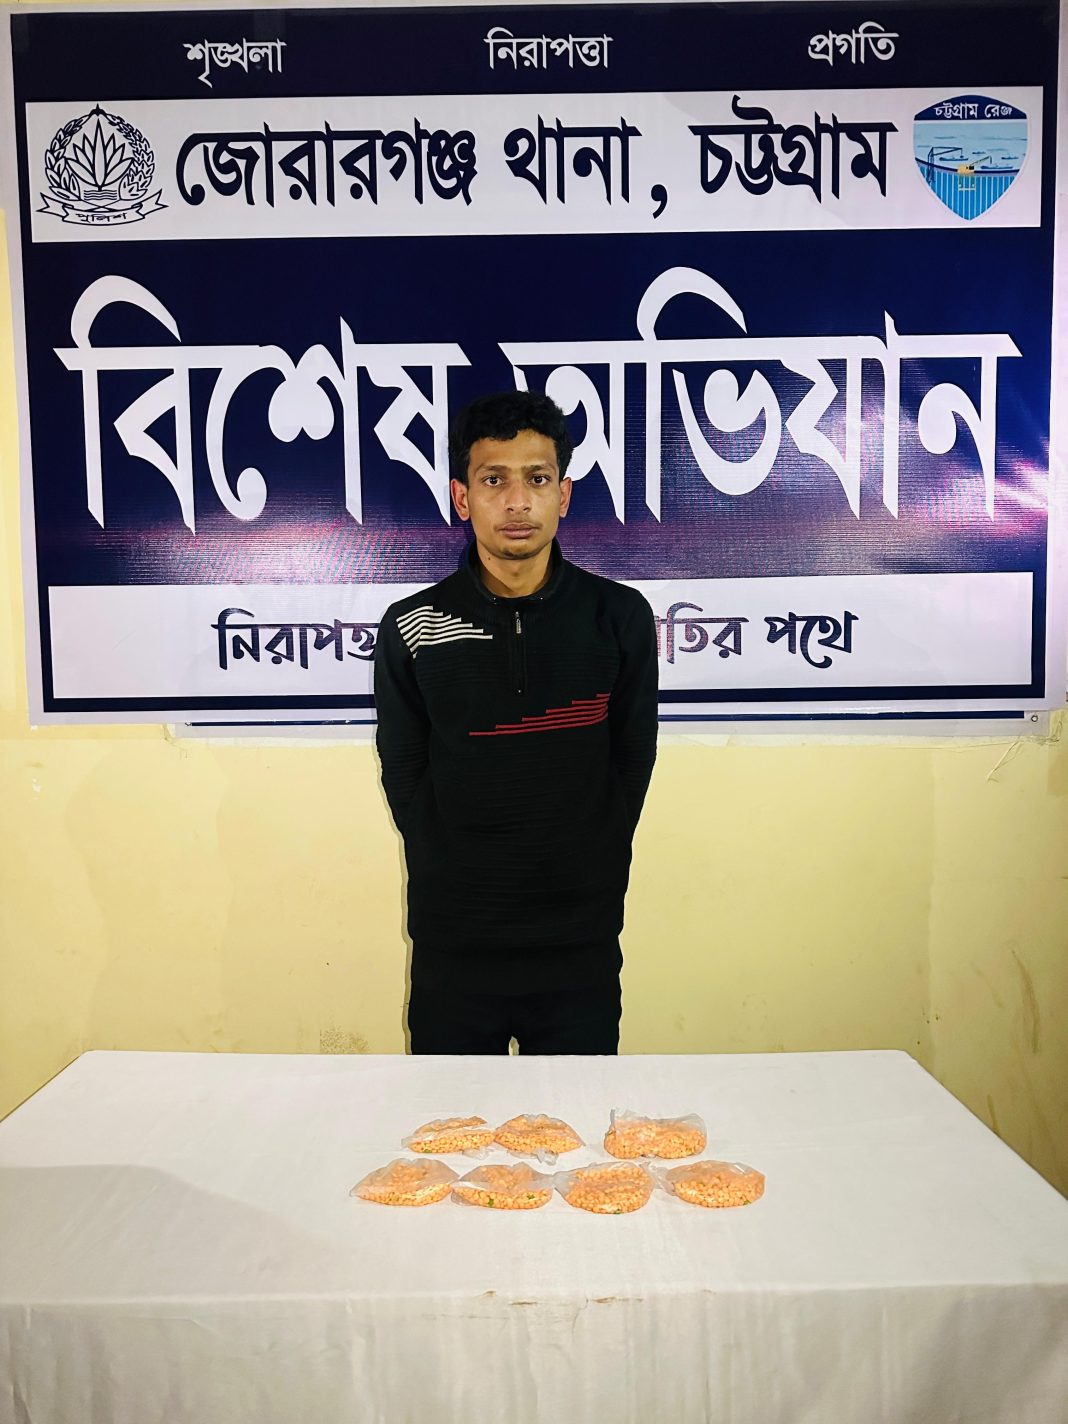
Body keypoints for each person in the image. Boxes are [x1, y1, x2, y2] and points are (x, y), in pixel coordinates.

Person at [374, 390, 658, 1054]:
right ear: (462, 497)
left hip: (579, 945)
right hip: (455, 947)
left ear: (564, 493)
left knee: (579, 1118)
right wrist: (452, 863)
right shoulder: (412, 626)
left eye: (537, 479)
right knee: (449, 1120)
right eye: (494, 480)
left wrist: (589, 856)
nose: (517, 502)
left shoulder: (618, 618)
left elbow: (632, 760)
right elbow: (404, 771)